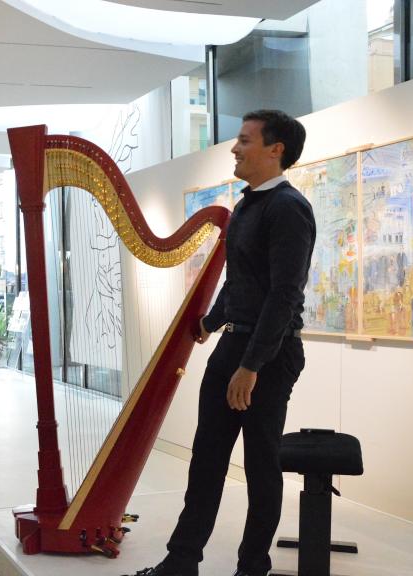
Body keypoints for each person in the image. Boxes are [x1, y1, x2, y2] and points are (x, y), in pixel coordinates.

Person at [136, 110, 314, 576]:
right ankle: (181, 561)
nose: (234, 149)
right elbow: (240, 281)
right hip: (235, 348)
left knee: (260, 465)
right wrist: (210, 322)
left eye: (244, 140)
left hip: (269, 356)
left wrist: (252, 365)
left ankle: (252, 567)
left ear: (276, 150)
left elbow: (284, 294)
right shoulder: (248, 205)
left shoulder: (288, 209)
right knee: (207, 460)